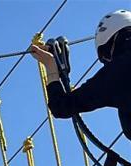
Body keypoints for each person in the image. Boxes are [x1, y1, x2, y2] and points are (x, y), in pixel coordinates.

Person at [31, 10, 131, 139]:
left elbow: (61, 106)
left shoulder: (116, 74)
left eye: (106, 56)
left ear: (112, 44)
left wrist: (51, 67)